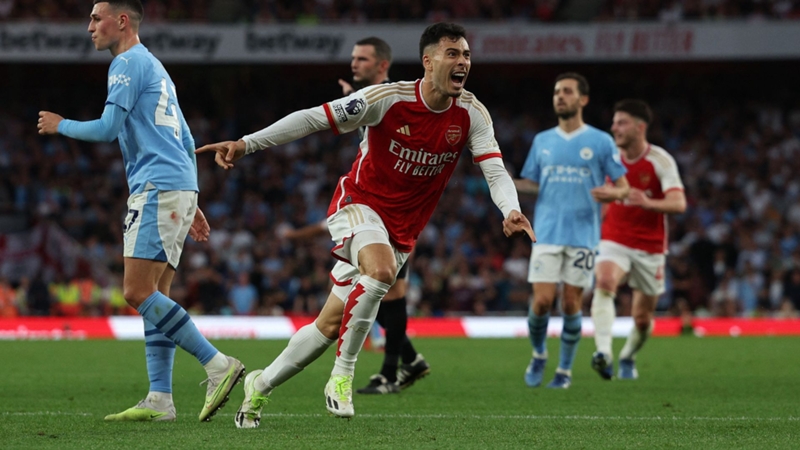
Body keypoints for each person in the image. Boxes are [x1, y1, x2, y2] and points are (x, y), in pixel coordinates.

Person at [196, 22, 534, 426]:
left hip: (402, 229)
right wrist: (247, 143)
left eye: (466, 55)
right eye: (453, 54)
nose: (463, 62)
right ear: (428, 62)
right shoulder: (386, 99)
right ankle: (343, 376)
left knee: (328, 323)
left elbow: (494, 170)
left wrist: (509, 209)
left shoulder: (472, 114)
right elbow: (312, 119)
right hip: (358, 205)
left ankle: (260, 385)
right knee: (382, 271)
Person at [36, 0, 244, 422]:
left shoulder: (127, 64)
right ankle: (160, 399)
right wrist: (193, 199)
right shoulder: (155, 65)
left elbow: (108, 129)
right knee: (156, 296)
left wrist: (63, 125)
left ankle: (217, 364)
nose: (89, 27)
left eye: (96, 18)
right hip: (176, 187)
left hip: (157, 188)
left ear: (122, 21)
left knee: (135, 291)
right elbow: (185, 138)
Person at [281, 36, 431, 395]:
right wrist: (352, 96)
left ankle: (396, 369)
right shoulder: (368, 99)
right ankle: (404, 365)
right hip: (377, 210)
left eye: (362, 59)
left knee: (386, 295)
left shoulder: (392, 99)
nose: (354, 63)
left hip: (394, 213)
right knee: (381, 293)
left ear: (382, 65)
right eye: (353, 58)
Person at [515, 72, 629, 389]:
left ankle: (564, 371)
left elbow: (624, 187)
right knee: (541, 302)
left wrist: (613, 193)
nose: (560, 97)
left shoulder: (600, 141)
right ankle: (539, 354)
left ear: (583, 99)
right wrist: (503, 182)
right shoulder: (542, 141)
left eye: (566, 91)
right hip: (547, 233)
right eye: (556, 92)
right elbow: (533, 184)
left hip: (582, 236)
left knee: (570, 303)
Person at [590, 99, 686, 380]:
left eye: (621, 122)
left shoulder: (660, 160)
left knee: (642, 319)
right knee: (605, 281)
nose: (614, 128)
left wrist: (647, 202)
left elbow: (678, 203)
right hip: (614, 238)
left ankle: (627, 356)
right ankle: (603, 352)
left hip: (650, 246)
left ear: (640, 127)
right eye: (614, 122)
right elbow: (602, 197)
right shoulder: (609, 158)